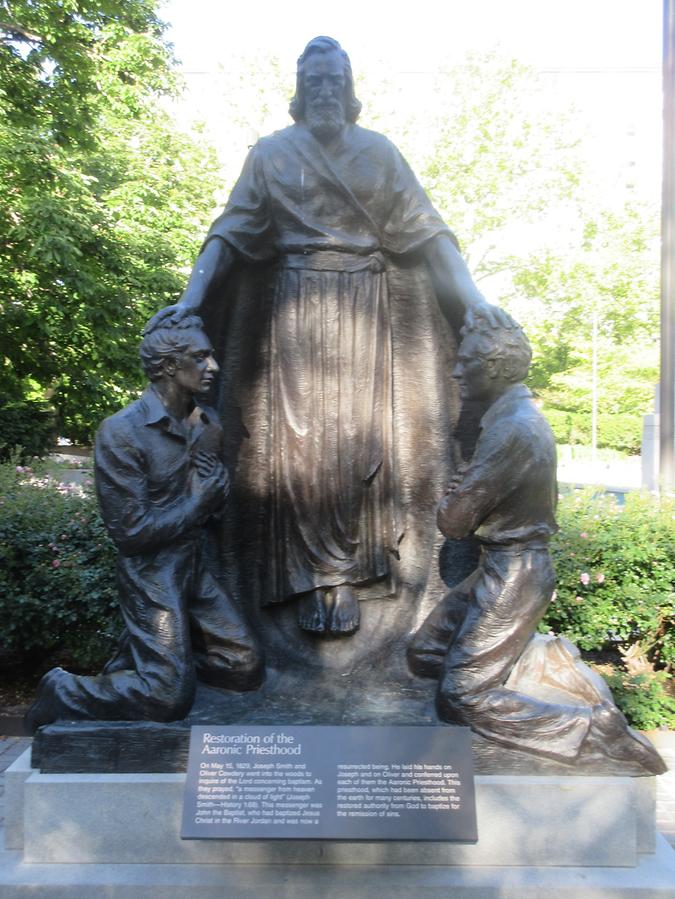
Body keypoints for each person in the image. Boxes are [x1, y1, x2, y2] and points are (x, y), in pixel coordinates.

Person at [147, 36, 510, 639]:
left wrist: (474, 301)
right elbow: (230, 232)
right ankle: (308, 581)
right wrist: (188, 303)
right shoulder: (270, 154)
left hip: (364, 306)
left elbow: (429, 234)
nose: (324, 89)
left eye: (333, 79)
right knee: (298, 448)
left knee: (359, 447)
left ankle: (351, 577)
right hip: (295, 308)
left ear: (349, 88)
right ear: (299, 88)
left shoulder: (380, 154)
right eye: (312, 79)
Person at [407, 316, 664, 773]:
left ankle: (590, 730)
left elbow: (456, 522)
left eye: (467, 363)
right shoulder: (509, 420)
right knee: (425, 652)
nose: (456, 372)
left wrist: (452, 495)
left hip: (515, 572)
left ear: (500, 368)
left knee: (462, 695)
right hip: (498, 567)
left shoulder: (513, 431)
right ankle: (537, 666)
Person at [26, 316, 263, 731]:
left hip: (192, 565)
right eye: (200, 357)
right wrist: (199, 501)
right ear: (169, 365)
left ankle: (148, 667)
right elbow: (131, 534)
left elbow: (214, 512)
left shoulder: (208, 426)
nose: (214, 367)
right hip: (151, 573)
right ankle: (65, 690)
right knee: (167, 698)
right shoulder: (122, 432)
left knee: (242, 666)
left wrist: (216, 495)